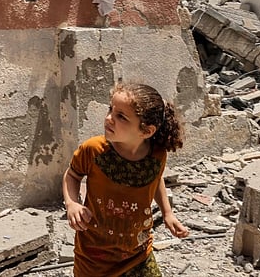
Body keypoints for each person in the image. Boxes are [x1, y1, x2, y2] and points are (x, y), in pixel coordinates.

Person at [63, 82, 189, 277]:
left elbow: (156, 180)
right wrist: (72, 204)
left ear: (146, 131)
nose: (108, 119)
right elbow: (72, 175)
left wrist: (167, 213)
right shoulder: (94, 150)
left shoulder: (156, 155)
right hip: (94, 257)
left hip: (137, 253)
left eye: (120, 116)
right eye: (110, 110)